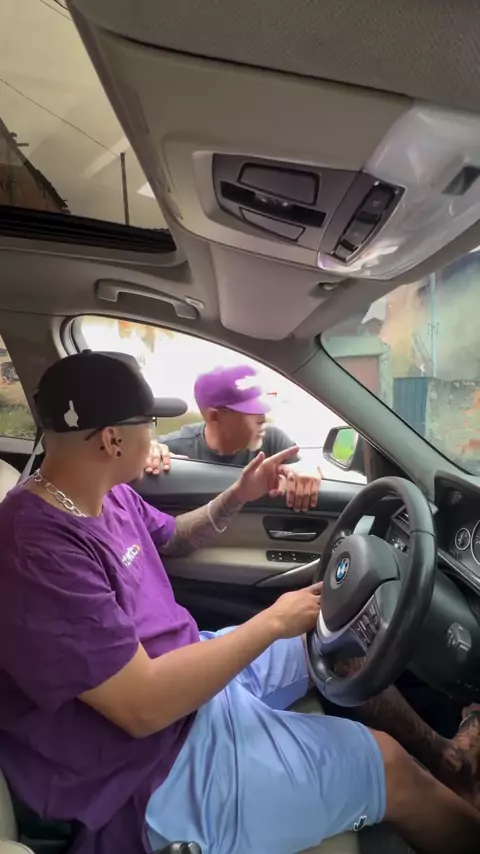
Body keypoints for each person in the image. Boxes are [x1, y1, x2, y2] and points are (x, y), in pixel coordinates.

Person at [0, 352, 479, 854]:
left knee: (330, 630)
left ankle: (447, 759)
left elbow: (173, 536)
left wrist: (240, 494)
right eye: (149, 424)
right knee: (386, 765)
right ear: (110, 441)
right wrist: (271, 622)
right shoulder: (35, 551)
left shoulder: (106, 493)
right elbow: (142, 707)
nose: (155, 435)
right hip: (151, 770)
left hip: (188, 683)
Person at [148, 364, 321, 512]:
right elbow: (146, 458)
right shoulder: (174, 448)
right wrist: (148, 452)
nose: (263, 418)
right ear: (215, 416)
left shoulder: (272, 439)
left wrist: (307, 471)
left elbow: (304, 465)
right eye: (251, 410)